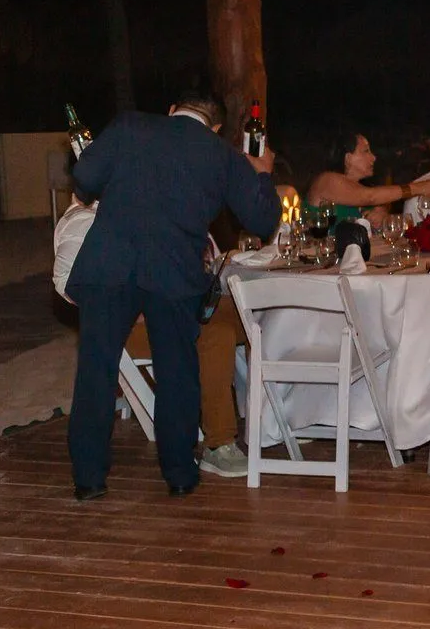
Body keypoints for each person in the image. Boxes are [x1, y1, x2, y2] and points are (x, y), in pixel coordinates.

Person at [65, 90, 279, 500]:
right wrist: (263, 173)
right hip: (174, 271)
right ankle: (179, 473)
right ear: (216, 126)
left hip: (110, 265)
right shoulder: (221, 154)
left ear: (170, 111)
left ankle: (88, 478)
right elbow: (262, 219)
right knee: (177, 369)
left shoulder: (129, 124)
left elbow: (86, 179)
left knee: (96, 369)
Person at [54, 199, 251, 478]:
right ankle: (219, 444)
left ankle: (280, 415)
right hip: (129, 327)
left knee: (252, 308)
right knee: (214, 334)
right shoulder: (83, 222)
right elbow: (74, 287)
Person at [306, 130, 430, 227]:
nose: (373, 157)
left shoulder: (363, 189)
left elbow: (374, 205)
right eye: (366, 151)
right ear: (348, 158)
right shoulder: (327, 180)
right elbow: (369, 197)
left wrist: (382, 216)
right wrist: (418, 188)